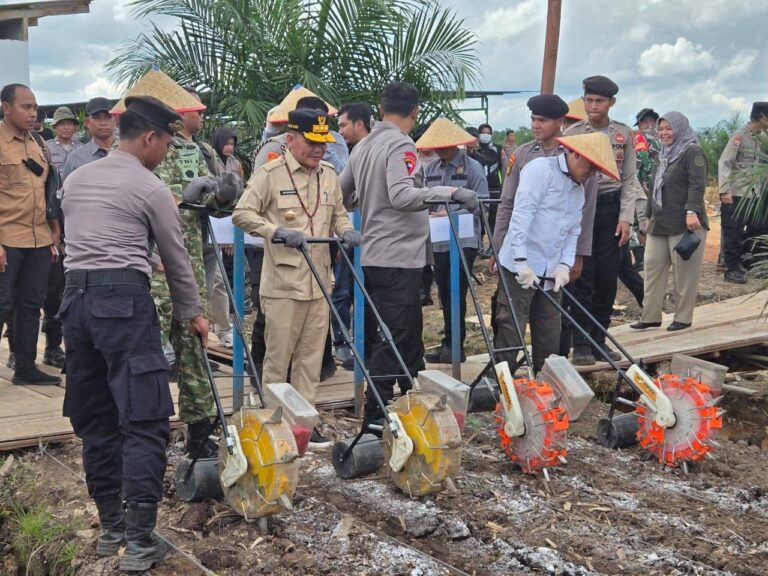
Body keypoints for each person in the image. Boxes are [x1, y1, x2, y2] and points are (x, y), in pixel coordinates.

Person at [60, 95, 207, 572]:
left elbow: (100, 239)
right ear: (150, 138)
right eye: (165, 142)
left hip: (75, 305)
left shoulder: (76, 179)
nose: (166, 152)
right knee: (145, 416)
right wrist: (193, 313)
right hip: (124, 305)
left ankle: (111, 529)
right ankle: (142, 541)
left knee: (96, 416)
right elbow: (178, 257)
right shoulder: (150, 187)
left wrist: (143, 256)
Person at [339, 81, 478, 424]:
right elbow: (402, 195)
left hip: (375, 254)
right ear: (415, 113)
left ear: (381, 109)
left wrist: (365, 204)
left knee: (410, 332)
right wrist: (451, 193)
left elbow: (341, 192)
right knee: (397, 334)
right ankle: (376, 411)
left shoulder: (363, 146)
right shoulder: (402, 145)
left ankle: (418, 395)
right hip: (398, 255)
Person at [118, 71, 237, 460]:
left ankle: (200, 431)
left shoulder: (200, 151)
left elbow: (213, 207)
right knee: (143, 354)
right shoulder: (124, 158)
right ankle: (140, 432)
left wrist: (222, 195)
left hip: (190, 267)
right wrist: (179, 196)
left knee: (194, 351)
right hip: (148, 271)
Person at [233, 109, 359, 446]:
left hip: (320, 283)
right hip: (283, 285)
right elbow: (242, 213)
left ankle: (303, 424)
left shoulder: (329, 174)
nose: (318, 150)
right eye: (311, 142)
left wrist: (346, 231)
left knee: (310, 359)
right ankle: (274, 424)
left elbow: (339, 213)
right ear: (290, 139)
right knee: (279, 359)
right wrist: (276, 231)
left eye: (323, 142)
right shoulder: (271, 173)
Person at [497, 133, 619, 372]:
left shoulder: (578, 189)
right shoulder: (540, 170)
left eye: (596, 170)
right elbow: (522, 217)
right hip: (520, 265)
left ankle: (545, 386)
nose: (591, 173)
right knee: (511, 329)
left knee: (549, 330)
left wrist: (564, 264)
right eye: (590, 167)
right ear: (574, 154)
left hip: (550, 270)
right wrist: (520, 260)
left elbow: (573, 230)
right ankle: (500, 384)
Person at [490, 95, 597, 352]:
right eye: (533, 119)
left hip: (555, 256)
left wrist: (574, 258)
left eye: (543, 120)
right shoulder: (525, 155)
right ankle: (504, 379)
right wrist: (500, 246)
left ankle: (545, 379)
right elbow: (510, 205)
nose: (536, 125)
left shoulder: (581, 157)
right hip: (523, 253)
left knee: (550, 323)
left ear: (560, 122)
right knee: (510, 321)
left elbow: (582, 216)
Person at [564, 76, 642, 366]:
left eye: (599, 101)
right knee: (582, 276)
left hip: (611, 210)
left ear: (612, 103)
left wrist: (626, 218)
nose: (593, 106)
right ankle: (581, 343)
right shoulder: (573, 133)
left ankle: (599, 340)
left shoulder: (623, 134)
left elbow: (630, 178)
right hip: (582, 210)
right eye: (589, 100)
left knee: (607, 279)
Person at [0, 83, 61, 385]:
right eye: (26, 107)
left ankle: (25, 367)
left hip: (38, 238)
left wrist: (54, 225)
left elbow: (46, 189)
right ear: (6, 107)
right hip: (6, 238)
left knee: (30, 305)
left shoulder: (37, 142)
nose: (33, 113)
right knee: (1, 304)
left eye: (35, 107)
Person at [416, 119, 488, 363]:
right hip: (438, 240)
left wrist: (449, 214)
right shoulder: (430, 168)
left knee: (457, 291)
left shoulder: (473, 168)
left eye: (443, 145)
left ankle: (456, 345)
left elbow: (482, 205)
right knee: (444, 292)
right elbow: (424, 198)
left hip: (464, 240)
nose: (438, 150)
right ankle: (449, 343)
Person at [630, 112, 708, 332]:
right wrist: (647, 216)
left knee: (684, 273)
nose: (663, 133)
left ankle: (683, 318)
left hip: (684, 222)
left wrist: (692, 211)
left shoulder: (692, 151)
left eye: (668, 128)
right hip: (660, 222)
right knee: (652, 267)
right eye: (661, 129)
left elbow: (697, 184)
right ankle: (650, 316)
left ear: (680, 128)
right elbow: (653, 186)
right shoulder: (664, 154)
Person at [334, 102, 372, 368]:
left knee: (367, 290)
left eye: (343, 125)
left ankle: (365, 344)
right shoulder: (352, 152)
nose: (340, 131)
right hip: (350, 230)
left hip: (372, 234)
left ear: (359, 123)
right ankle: (344, 342)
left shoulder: (371, 150)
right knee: (343, 288)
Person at [718, 102, 768, 284]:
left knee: (760, 229)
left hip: (755, 194)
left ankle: (753, 263)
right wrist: (725, 191)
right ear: (762, 117)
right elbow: (725, 163)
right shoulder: (739, 136)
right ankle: (731, 269)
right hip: (737, 193)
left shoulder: (763, 137)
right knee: (733, 232)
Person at [62, 97, 119, 181]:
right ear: (87, 122)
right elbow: (66, 191)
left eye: (108, 117)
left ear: (116, 121)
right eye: (97, 118)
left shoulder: (129, 154)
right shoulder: (76, 159)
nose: (103, 123)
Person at [474, 122, 502, 257]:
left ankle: (492, 246)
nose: (486, 135)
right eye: (483, 132)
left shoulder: (497, 149)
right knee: (478, 217)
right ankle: (478, 245)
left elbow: (500, 165)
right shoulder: (474, 150)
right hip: (478, 189)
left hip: (494, 188)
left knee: (493, 220)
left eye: (488, 133)